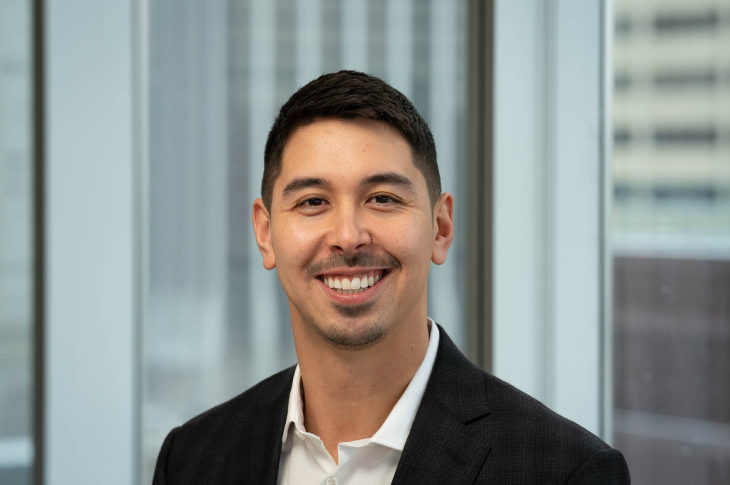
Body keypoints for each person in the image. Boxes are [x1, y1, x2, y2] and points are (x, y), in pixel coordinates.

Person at [152, 70, 630, 485]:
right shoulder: (190, 460)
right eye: (313, 201)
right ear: (265, 233)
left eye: (382, 198)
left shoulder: (567, 473)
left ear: (440, 228)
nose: (348, 236)